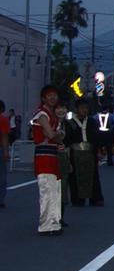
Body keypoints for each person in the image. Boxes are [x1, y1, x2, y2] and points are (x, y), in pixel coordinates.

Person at [31, 86, 65, 235]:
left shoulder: (52, 115)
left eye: (55, 95)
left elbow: (52, 135)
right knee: (47, 191)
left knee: (54, 190)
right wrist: (56, 135)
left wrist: (55, 135)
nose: (53, 98)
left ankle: (54, 223)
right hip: (44, 156)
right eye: (49, 95)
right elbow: (53, 135)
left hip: (51, 154)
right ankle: (46, 225)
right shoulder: (42, 114)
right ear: (43, 98)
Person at [65, 99, 103, 206]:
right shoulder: (70, 123)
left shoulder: (92, 122)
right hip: (75, 152)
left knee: (93, 175)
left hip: (90, 151)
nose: (84, 110)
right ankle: (77, 199)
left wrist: (99, 151)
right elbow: (67, 140)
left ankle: (95, 198)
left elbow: (96, 137)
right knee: (74, 176)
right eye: (82, 108)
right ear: (76, 109)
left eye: (86, 108)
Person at [0, 100, 9, 208]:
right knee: (2, 174)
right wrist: (6, 151)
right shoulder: (3, 119)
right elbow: (4, 136)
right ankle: (0, 199)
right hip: (0, 148)